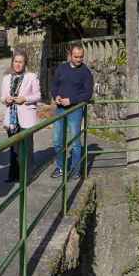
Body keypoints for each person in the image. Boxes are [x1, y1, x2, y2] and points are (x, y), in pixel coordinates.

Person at [50, 45, 93, 178]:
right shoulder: (61, 68)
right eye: (76, 57)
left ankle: (75, 169)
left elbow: (87, 94)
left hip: (75, 110)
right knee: (57, 141)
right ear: (70, 55)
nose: (79, 59)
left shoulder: (86, 72)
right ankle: (60, 167)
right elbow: (54, 86)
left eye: (81, 57)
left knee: (75, 142)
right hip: (60, 109)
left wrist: (72, 100)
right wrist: (56, 96)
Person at [0, 50, 40, 183]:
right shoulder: (6, 78)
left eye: (20, 62)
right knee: (13, 148)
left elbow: (38, 95)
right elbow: (2, 97)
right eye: (15, 61)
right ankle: (13, 175)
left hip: (26, 118)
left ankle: (27, 176)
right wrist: (6, 100)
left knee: (26, 148)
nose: (17, 64)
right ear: (12, 62)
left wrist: (25, 99)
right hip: (11, 118)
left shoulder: (31, 77)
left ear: (25, 63)